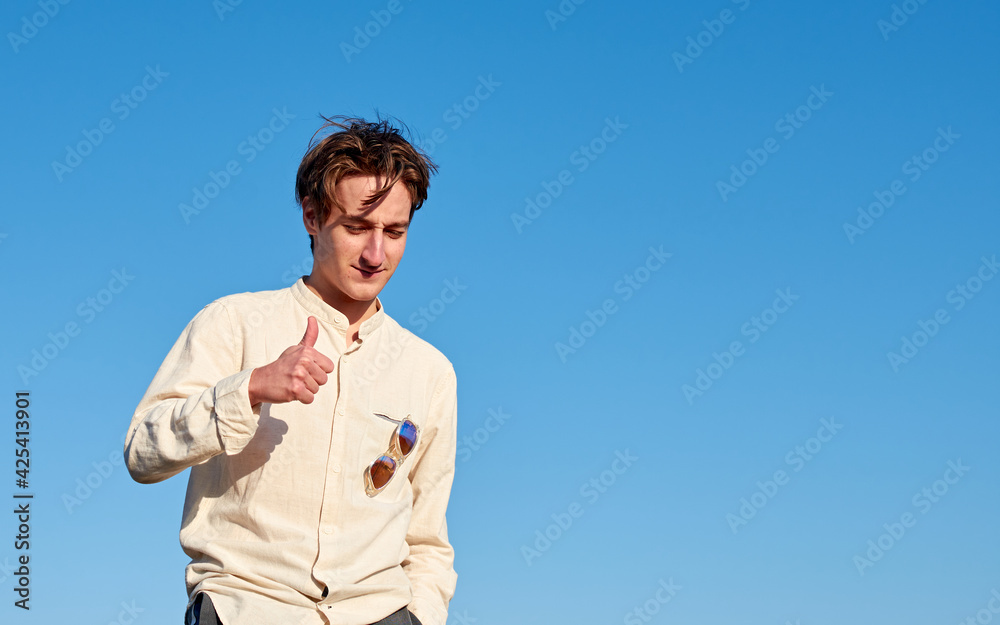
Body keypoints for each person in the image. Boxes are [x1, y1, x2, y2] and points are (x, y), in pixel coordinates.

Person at [124, 115, 458, 625]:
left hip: (382, 611)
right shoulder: (233, 322)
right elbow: (142, 453)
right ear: (311, 215)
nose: (376, 253)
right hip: (247, 607)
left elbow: (428, 537)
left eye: (394, 231)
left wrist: (422, 615)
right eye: (356, 227)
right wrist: (250, 388)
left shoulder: (431, 371)